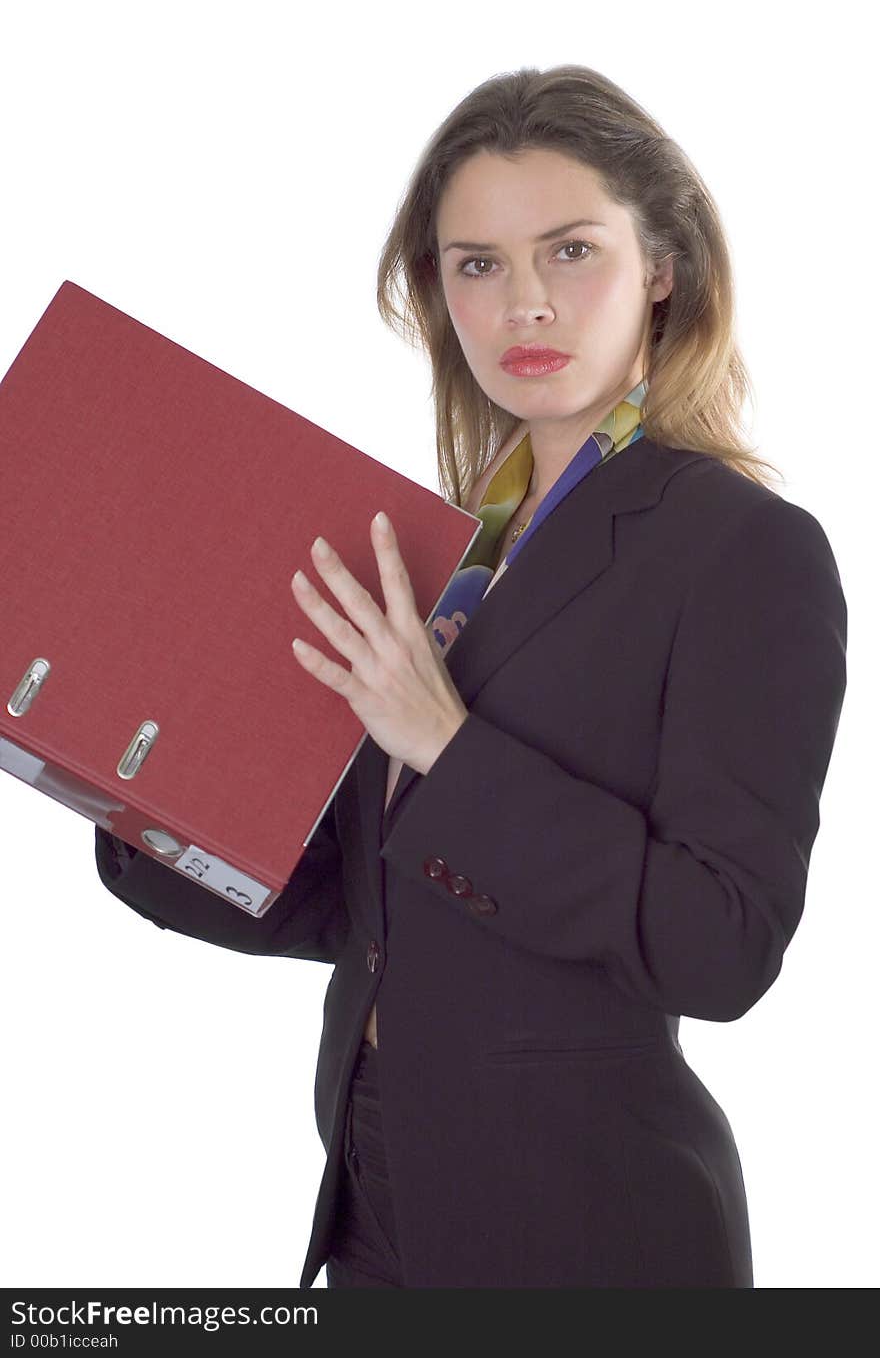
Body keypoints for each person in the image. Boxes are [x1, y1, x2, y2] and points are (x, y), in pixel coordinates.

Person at [94, 64, 848, 1288]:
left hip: (588, 1223)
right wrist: (135, 792)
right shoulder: (445, 551)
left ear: (660, 266)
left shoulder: (743, 548)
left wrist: (447, 746)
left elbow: (723, 946)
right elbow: (369, 911)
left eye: (571, 251)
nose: (524, 306)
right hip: (374, 1190)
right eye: (478, 264)